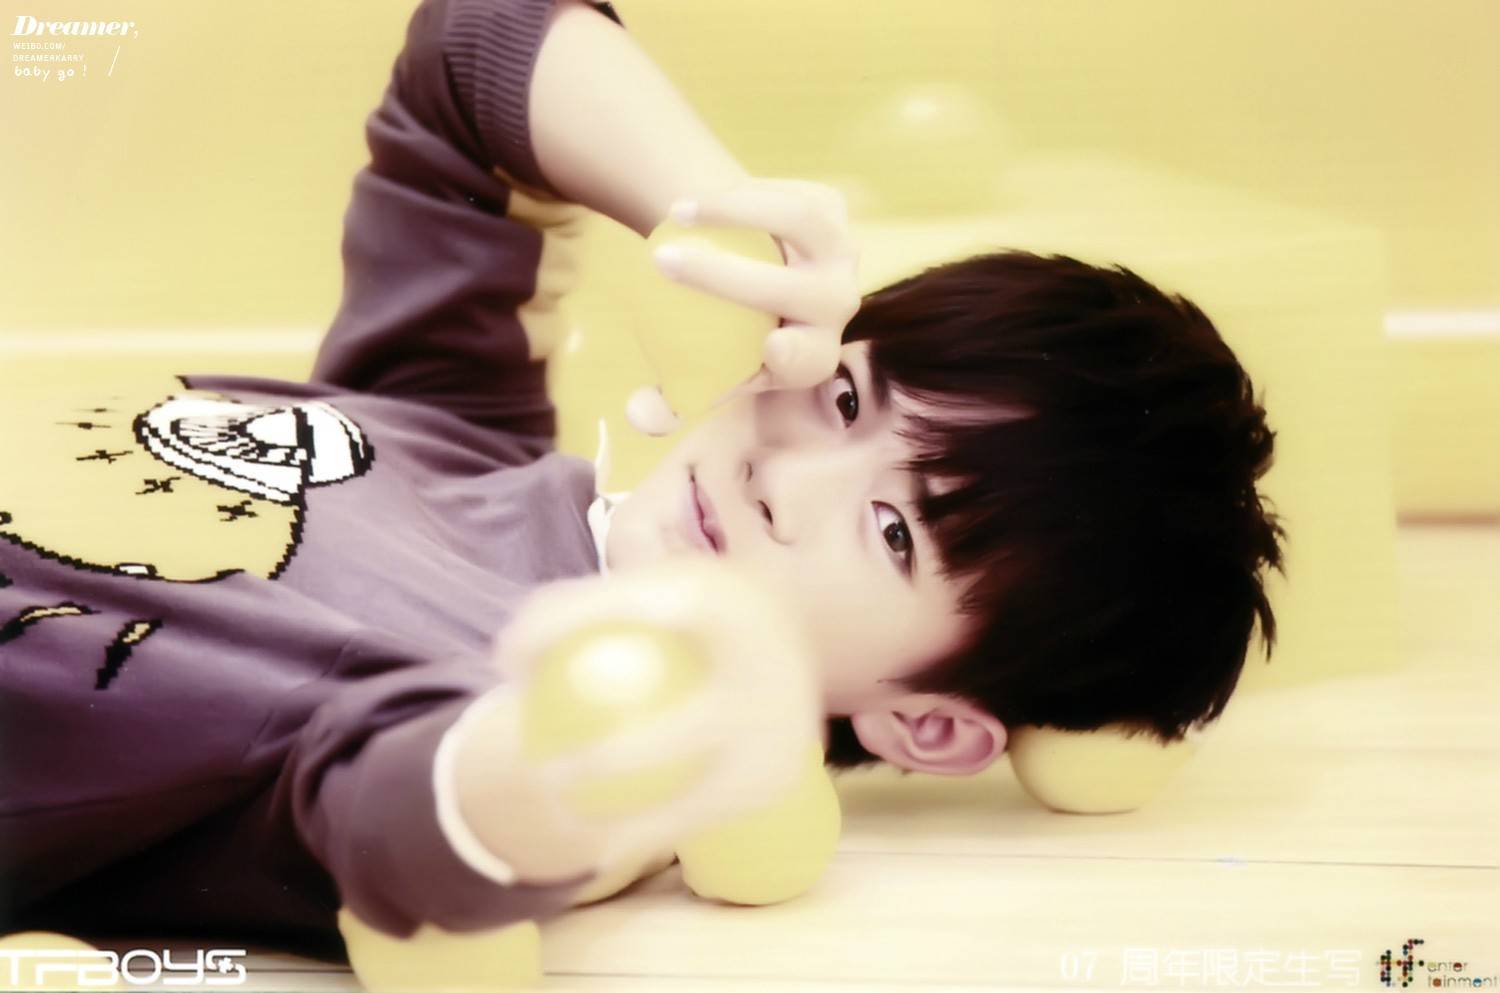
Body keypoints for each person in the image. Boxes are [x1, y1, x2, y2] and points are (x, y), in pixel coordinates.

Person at [0, 0, 1285, 958]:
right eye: (845, 396)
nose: (786, 473)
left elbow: (422, 826)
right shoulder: (458, 417)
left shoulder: (554, 736)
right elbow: (472, 51)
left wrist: (615, 758)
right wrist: (718, 216)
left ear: (929, 725)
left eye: (895, 531)